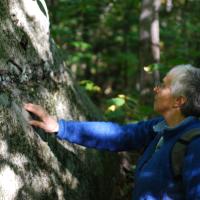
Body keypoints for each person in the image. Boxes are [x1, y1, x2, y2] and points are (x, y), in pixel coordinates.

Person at [24, 64, 200, 199]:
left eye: (164, 85)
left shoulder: (195, 144)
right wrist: (60, 127)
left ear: (179, 101)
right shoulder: (161, 128)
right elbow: (118, 135)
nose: (156, 88)